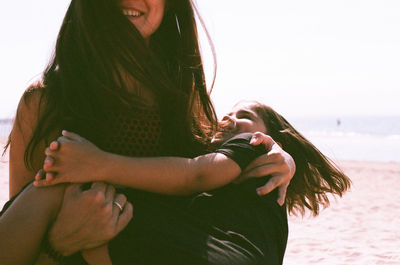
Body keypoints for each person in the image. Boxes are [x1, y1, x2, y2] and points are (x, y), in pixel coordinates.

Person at [1, 0, 296, 264]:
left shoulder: (183, 98)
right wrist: (60, 245)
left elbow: (202, 180)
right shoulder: (45, 102)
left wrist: (279, 156)